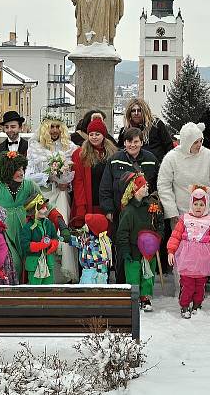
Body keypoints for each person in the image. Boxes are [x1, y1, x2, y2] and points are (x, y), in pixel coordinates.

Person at [157, 122, 210, 303]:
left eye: (201, 141)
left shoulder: (208, 156)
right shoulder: (171, 158)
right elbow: (163, 186)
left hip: (208, 213)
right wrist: (172, 213)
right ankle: (182, 289)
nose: (199, 145)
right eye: (196, 142)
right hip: (181, 214)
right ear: (186, 142)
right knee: (181, 254)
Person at [100, 127, 158, 283]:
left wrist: (156, 206)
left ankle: (143, 286)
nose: (132, 145)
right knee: (122, 246)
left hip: (144, 213)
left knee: (142, 247)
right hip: (121, 212)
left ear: (141, 142)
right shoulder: (114, 159)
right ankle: (122, 282)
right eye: (129, 141)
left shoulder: (151, 159)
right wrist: (108, 209)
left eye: (136, 142)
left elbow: (157, 185)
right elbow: (105, 187)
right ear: (124, 142)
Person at [0, 151, 43, 282]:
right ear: (7, 170)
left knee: (28, 264)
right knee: (14, 264)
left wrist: (60, 223)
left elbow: (44, 205)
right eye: (17, 169)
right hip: (4, 235)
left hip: (25, 232)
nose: (21, 173)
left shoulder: (30, 186)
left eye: (22, 169)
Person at [25, 115, 78, 282]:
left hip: (61, 195)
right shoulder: (35, 148)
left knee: (62, 228)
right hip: (42, 197)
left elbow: (74, 176)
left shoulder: (69, 147)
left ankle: (64, 275)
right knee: (43, 232)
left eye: (57, 127)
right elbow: (29, 177)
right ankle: (44, 273)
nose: (54, 130)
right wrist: (49, 177)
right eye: (51, 127)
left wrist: (65, 182)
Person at [167, 186, 210, 319]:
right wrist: (171, 251)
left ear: (206, 205)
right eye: (196, 204)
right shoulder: (184, 219)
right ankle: (185, 305)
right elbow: (175, 236)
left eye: (201, 204)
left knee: (200, 286)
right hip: (187, 258)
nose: (198, 207)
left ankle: (197, 305)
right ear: (191, 204)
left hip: (203, 260)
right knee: (187, 284)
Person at [116, 172, 162, 312]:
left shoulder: (152, 206)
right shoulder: (128, 211)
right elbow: (122, 233)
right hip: (133, 249)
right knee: (133, 274)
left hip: (149, 249)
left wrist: (157, 237)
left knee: (148, 274)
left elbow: (159, 223)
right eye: (143, 185)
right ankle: (134, 297)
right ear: (135, 190)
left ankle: (145, 297)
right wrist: (125, 251)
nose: (147, 186)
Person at [71, 117, 118, 228]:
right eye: (91, 134)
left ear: (103, 135)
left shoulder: (113, 153)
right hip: (89, 201)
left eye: (97, 134)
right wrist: (81, 207)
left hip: (107, 202)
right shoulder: (80, 154)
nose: (94, 137)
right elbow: (78, 182)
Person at [19, 193, 60, 284]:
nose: (45, 210)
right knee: (35, 288)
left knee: (49, 287)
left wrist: (54, 243)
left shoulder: (49, 224)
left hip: (48, 262)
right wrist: (40, 245)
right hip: (34, 264)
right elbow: (25, 245)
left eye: (45, 207)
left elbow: (54, 237)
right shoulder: (28, 227)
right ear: (34, 211)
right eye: (42, 208)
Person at [117, 99, 174, 164]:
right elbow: (120, 149)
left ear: (144, 111)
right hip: (131, 167)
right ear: (129, 113)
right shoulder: (125, 130)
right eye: (133, 111)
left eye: (139, 110)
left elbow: (168, 145)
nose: (136, 113)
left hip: (155, 166)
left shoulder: (156, 125)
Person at [68, 213, 113, 284]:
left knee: (90, 294)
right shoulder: (88, 240)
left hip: (93, 277)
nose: (84, 226)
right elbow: (78, 241)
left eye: (87, 225)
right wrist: (67, 237)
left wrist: (100, 279)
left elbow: (101, 262)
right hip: (86, 274)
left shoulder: (95, 244)